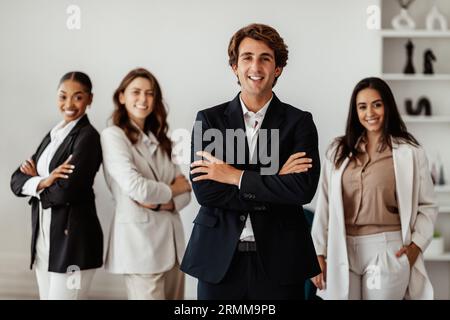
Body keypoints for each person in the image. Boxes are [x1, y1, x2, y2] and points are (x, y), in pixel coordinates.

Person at [181, 23, 321, 300]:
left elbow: (302, 190)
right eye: (247, 57)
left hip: (282, 261)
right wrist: (275, 181)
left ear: (277, 68)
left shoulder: (299, 122)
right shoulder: (209, 120)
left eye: (265, 58)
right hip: (219, 260)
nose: (255, 66)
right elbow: (207, 192)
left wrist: (234, 176)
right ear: (235, 67)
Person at [311, 77, 438, 300]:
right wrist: (318, 252)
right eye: (362, 106)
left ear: (387, 106)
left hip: (387, 249)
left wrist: (415, 247)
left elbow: (427, 205)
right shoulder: (337, 150)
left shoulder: (410, 152)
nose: (370, 112)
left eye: (377, 104)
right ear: (355, 112)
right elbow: (325, 205)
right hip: (342, 248)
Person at [10, 71, 103, 299]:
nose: (69, 104)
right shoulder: (54, 135)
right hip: (44, 242)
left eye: (78, 97)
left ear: (90, 99)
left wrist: (36, 185)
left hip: (72, 244)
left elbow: (66, 191)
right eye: (63, 96)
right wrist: (46, 180)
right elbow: (15, 180)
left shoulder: (88, 137)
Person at [101, 68, 191, 300]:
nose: (143, 99)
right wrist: (173, 189)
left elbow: (186, 193)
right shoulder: (113, 136)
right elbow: (137, 188)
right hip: (140, 247)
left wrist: (163, 202)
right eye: (136, 92)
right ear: (122, 96)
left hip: (173, 246)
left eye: (150, 93)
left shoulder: (161, 139)